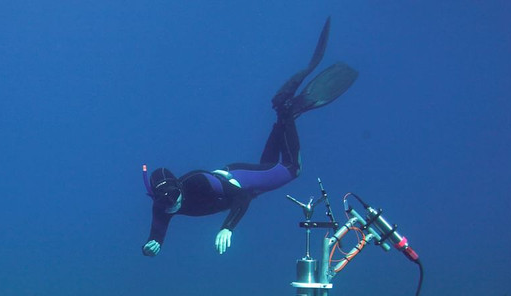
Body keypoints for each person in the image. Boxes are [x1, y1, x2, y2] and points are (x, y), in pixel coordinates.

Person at [142, 18, 357, 257]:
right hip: (239, 180)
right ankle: (284, 113)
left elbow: (242, 196)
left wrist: (227, 228)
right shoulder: (161, 206)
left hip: (242, 182)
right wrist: (152, 244)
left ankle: (285, 110)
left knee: (291, 169)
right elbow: (157, 231)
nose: (172, 204)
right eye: (165, 202)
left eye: (173, 197)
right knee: (270, 165)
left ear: (178, 186)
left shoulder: (195, 183)